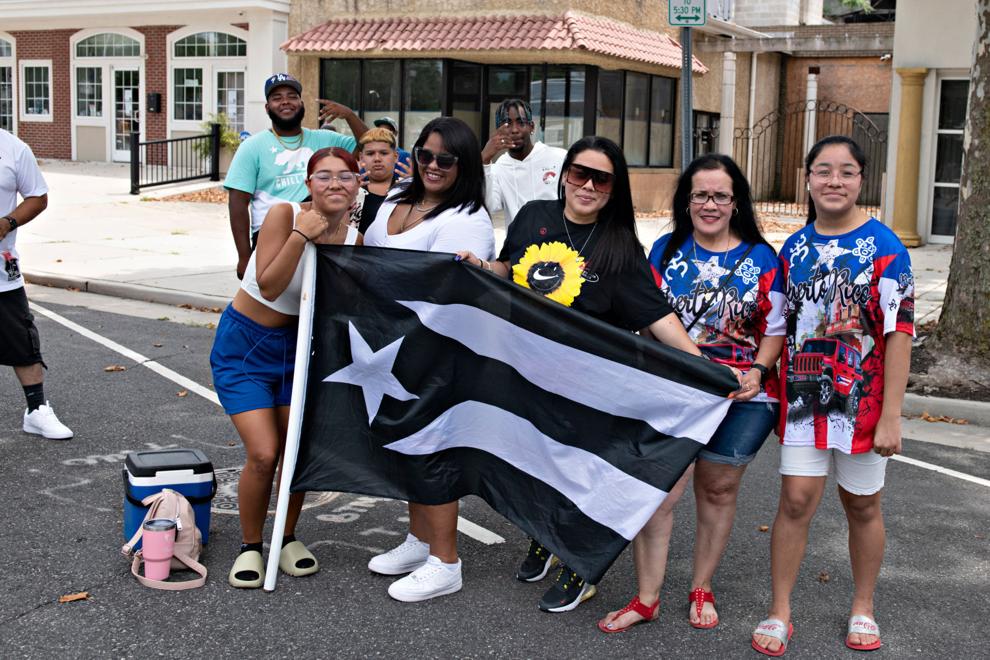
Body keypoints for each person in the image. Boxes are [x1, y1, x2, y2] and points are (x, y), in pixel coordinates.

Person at [458, 136, 739, 614]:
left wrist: (702, 365)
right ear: (564, 174)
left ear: (614, 188)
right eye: (579, 173)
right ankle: (542, 537)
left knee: (579, 471)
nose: (587, 185)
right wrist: (482, 266)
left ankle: (579, 566)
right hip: (529, 369)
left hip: (590, 385)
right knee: (535, 460)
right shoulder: (533, 217)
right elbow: (510, 266)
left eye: (601, 178)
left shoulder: (621, 245)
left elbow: (657, 316)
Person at [596, 154, 785, 634]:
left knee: (718, 490)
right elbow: (643, 317)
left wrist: (760, 371)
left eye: (721, 195)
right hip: (673, 391)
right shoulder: (663, 251)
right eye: (700, 194)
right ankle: (646, 598)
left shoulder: (763, 258)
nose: (710, 204)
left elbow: (776, 327)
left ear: (736, 201)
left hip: (741, 397)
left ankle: (701, 586)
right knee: (659, 494)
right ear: (686, 200)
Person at [751, 135, 914, 656]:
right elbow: (778, 325)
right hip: (803, 401)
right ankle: (779, 610)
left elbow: (899, 334)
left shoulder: (886, 248)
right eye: (823, 171)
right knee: (795, 501)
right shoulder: (793, 248)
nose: (834, 181)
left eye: (846, 171)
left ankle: (863, 606)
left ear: (862, 179)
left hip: (862, 406)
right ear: (808, 179)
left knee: (862, 506)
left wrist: (892, 417)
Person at [211, 147, 364, 589]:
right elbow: (270, 284)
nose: (335, 184)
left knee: (294, 454)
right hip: (246, 346)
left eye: (346, 176)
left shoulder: (355, 241)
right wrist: (303, 235)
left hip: (299, 350)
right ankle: (251, 546)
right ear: (309, 183)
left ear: (358, 186)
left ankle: (287, 536)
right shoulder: (283, 215)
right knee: (263, 453)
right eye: (324, 176)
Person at [363, 117, 495, 603]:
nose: (433, 166)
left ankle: (446, 561)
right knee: (403, 445)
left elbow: (445, 295)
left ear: (463, 166)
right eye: (425, 155)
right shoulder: (396, 200)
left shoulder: (468, 218)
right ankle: (419, 541)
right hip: (387, 346)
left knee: (433, 450)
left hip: (435, 353)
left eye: (446, 159)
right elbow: (367, 260)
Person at [224, 73, 368, 279]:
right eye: (277, 97)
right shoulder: (252, 146)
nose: (285, 102)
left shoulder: (324, 138)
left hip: (322, 234)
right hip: (272, 236)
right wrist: (244, 256)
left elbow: (370, 144)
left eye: (292, 96)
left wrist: (350, 116)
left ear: (301, 103)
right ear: (267, 107)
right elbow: (238, 203)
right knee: (275, 303)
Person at [0, 129, 72, 441]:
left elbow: (37, 196)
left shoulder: (13, 148)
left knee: (23, 340)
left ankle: (36, 410)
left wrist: (8, 222)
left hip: (2, 271)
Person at [481, 99, 567, 226]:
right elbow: (490, 206)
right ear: (498, 130)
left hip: (556, 241)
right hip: (518, 244)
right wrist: (484, 160)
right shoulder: (499, 168)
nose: (514, 130)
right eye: (507, 123)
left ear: (531, 127)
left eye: (521, 123)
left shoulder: (559, 157)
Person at [354, 127, 412, 233]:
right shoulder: (353, 190)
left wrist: (419, 187)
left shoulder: (409, 190)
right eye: (370, 153)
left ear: (395, 156)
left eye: (384, 153)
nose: (377, 159)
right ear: (361, 158)